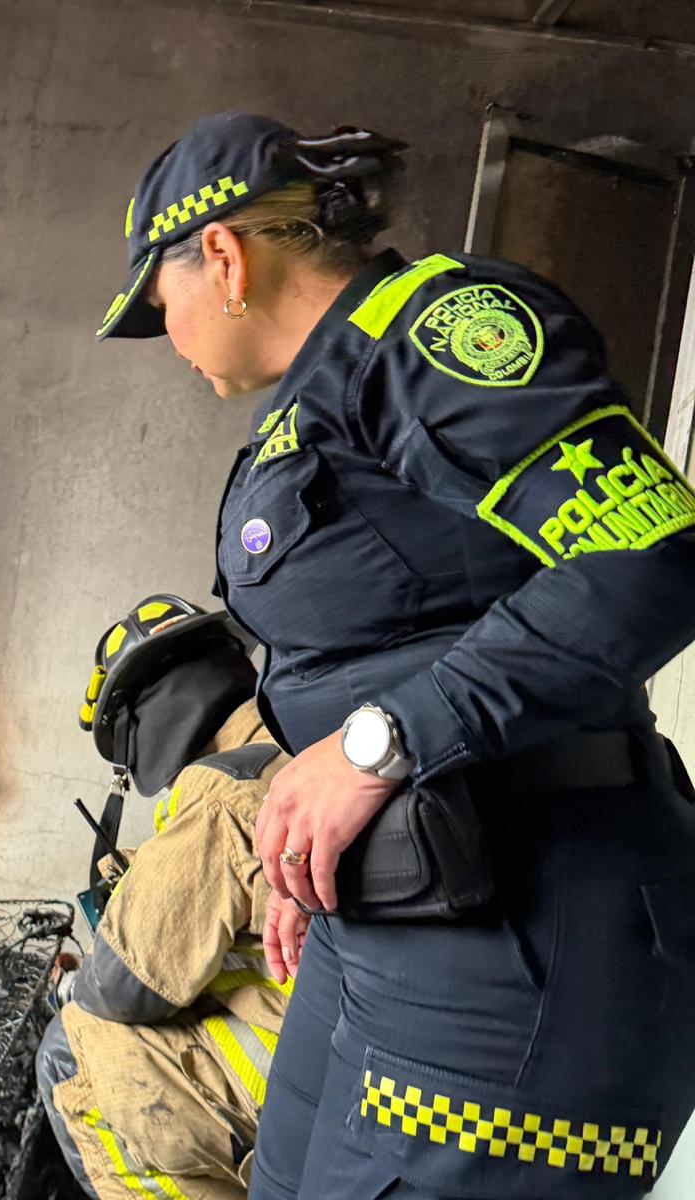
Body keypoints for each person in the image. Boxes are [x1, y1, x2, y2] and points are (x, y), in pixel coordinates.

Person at [93, 112, 695, 1200]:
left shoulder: (431, 330)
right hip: (399, 903)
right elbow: (403, 627)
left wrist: (374, 749)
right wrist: (312, 826)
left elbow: (653, 556)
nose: (168, 337)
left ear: (220, 255)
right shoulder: (320, 392)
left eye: (157, 303)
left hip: (520, 933)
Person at [37, 593, 306, 1199]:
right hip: (361, 1042)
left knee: (68, 1054)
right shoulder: (300, 740)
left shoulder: (217, 793)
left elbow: (122, 986)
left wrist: (67, 990)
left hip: (297, 1076)